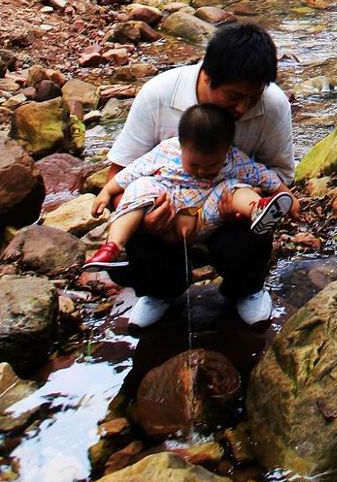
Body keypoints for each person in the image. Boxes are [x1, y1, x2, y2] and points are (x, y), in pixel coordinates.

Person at [104, 22, 299, 328]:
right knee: (138, 221)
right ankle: (159, 292)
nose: (242, 108)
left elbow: (280, 177)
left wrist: (248, 203)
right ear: (207, 75)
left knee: (250, 228)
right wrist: (144, 220)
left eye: (252, 99)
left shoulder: (273, 105)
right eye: (233, 96)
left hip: (228, 211)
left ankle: (246, 289)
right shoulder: (158, 95)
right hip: (168, 213)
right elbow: (118, 176)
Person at [84, 104, 293, 269]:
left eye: (211, 165)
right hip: (168, 217)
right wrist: (107, 191)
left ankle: (258, 208)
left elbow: (261, 174)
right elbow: (132, 171)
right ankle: (112, 247)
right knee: (142, 185)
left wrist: (286, 194)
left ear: (226, 150)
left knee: (232, 186)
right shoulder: (167, 151)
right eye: (194, 164)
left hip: (206, 216)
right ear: (181, 146)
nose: (202, 171)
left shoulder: (233, 159)